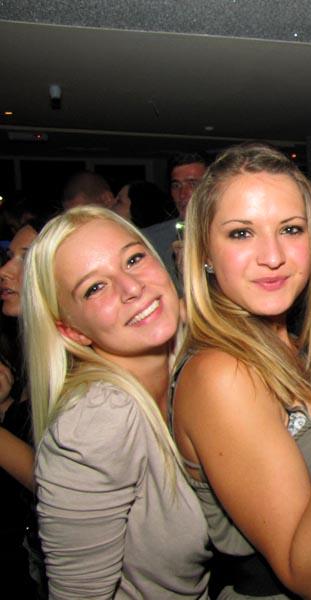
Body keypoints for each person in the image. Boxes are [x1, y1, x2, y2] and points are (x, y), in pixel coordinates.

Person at [170, 143, 311, 599]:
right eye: (241, 233)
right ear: (205, 252)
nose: (272, 255)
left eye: (291, 229)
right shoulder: (222, 374)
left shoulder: (290, 346)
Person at [22, 206, 211, 598]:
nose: (132, 287)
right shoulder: (97, 420)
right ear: (71, 330)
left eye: (134, 259)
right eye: (95, 288)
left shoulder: (194, 359)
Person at [0, 215, 50, 598]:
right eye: (9, 257)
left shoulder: (77, 364)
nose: (5, 271)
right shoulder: (29, 352)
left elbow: (55, 483)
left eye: (25, 258)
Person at [142, 153, 208, 291]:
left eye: (193, 184)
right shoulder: (150, 240)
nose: (182, 194)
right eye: (176, 185)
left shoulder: (231, 234)